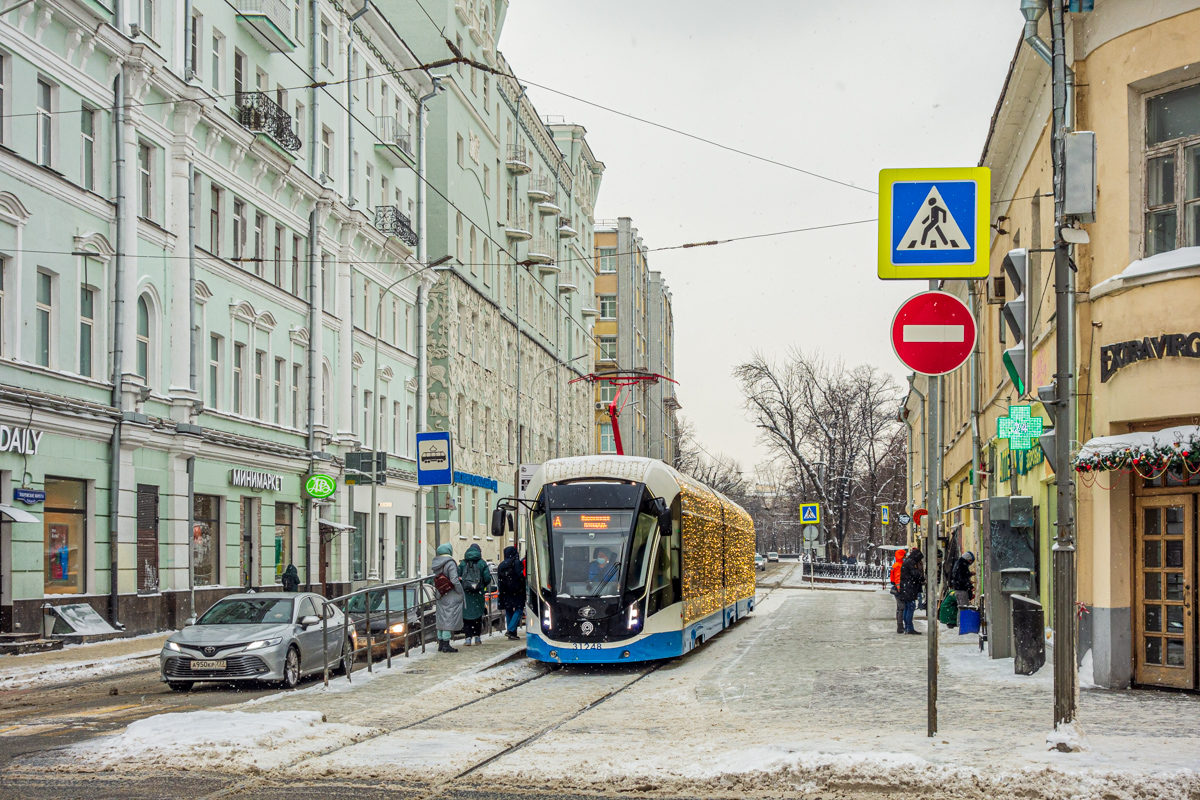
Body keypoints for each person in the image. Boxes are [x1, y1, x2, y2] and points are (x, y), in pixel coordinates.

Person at [431, 543, 464, 653]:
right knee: (449, 617)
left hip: (440, 592)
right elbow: (454, 580)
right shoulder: (450, 563)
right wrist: (460, 592)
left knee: (441, 617)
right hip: (450, 593)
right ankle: (446, 644)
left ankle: (440, 643)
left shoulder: (436, 562)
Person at [458, 543, 492, 646]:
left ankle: (468, 638)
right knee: (478, 614)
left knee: (467, 616)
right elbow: (487, 578)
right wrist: (481, 586)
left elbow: (458, 576)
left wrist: (465, 585)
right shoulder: (482, 563)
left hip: (466, 594)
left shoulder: (463, 563)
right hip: (478, 593)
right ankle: (477, 637)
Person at [496, 545, 525, 640]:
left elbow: (499, 580)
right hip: (517, 591)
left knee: (509, 610)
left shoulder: (501, 565)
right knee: (519, 609)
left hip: (505, 592)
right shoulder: (516, 563)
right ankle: (511, 630)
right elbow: (521, 576)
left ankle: (511, 632)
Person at [896, 548, 925, 635]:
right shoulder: (912, 563)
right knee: (910, 607)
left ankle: (907, 627)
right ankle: (909, 627)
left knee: (907, 607)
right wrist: (922, 578)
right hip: (909, 589)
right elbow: (916, 575)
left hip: (906, 588)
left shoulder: (907, 561)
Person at [889, 550, 906, 634]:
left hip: (896, 587)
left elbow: (892, 578)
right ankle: (900, 626)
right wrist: (899, 587)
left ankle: (899, 625)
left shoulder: (895, 565)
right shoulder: (899, 565)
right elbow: (898, 577)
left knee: (899, 608)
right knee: (901, 608)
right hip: (899, 589)